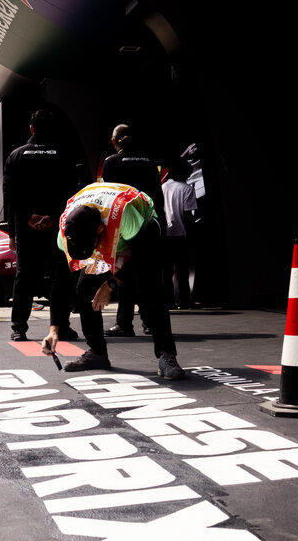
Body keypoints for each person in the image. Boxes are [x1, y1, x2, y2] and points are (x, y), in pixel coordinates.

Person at [41, 181, 184, 379]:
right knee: (83, 289)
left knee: (150, 287)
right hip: (107, 229)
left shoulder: (124, 216)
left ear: (100, 229)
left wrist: (110, 284)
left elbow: (140, 258)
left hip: (143, 231)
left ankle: (166, 355)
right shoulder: (64, 233)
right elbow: (60, 282)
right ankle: (97, 352)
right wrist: (54, 330)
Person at [2, 108, 83, 342]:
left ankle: (19, 327)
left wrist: (26, 220)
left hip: (26, 227)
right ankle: (61, 326)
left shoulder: (16, 156)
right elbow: (71, 193)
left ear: (31, 129)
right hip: (57, 225)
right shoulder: (65, 154)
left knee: (24, 276)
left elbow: (10, 195)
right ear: (53, 129)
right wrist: (51, 216)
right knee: (61, 275)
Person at [101, 124, 164, 336]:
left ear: (114, 142)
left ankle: (124, 324)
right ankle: (150, 322)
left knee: (124, 275)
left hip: (123, 227)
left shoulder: (111, 162)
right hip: (148, 226)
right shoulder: (149, 162)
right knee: (147, 275)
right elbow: (158, 196)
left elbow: (110, 197)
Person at [162, 159, 198, 308]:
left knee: (166, 270)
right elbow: (186, 215)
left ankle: (168, 301)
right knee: (182, 270)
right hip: (180, 235)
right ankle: (184, 300)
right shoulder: (187, 189)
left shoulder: (163, 187)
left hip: (164, 234)